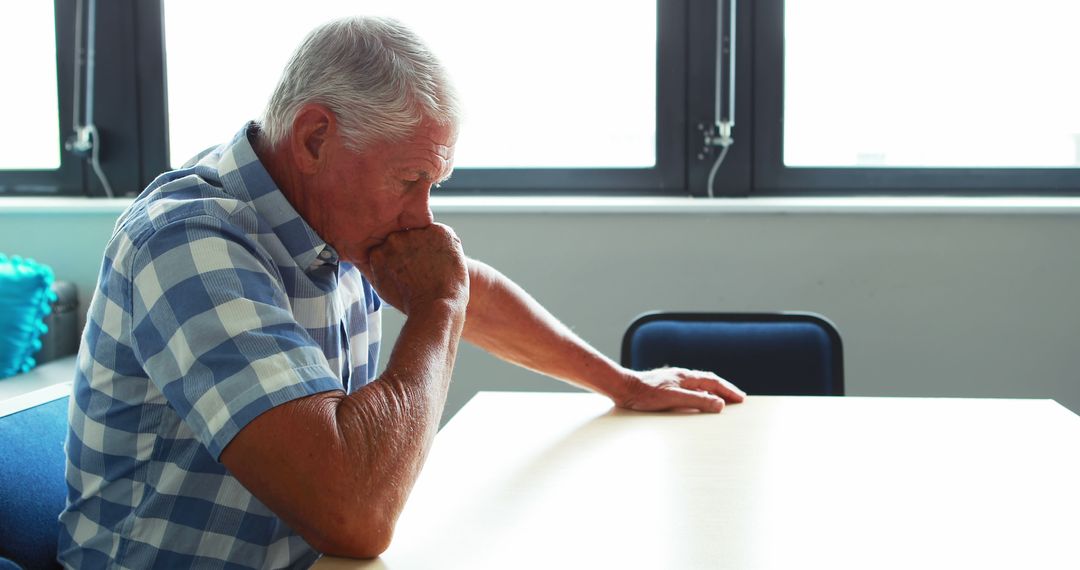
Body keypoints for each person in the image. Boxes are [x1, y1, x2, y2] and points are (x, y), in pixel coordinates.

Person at [58, 16, 745, 569]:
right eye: (409, 179)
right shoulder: (187, 243)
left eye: (433, 185)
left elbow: (469, 287)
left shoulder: (326, 207)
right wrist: (440, 308)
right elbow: (355, 518)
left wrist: (620, 382)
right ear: (316, 136)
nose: (423, 216)